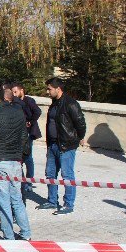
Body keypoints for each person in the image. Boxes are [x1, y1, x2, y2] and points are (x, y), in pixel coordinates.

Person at [0, 84, 31, 240]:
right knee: (17, 200)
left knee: (3, 203)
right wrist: (22, 156)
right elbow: (24, 138)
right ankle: (26, 233)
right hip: (15, 162)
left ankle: (9, 237)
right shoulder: (18, 112)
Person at [37, 77, 87, 215]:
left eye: (49, 89)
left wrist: (79, 137)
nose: (47, 91)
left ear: (58, 89)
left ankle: (68, 204)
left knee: (67, 175)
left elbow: (80, 123)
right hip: (52, 145)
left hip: (66, 146)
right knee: (50, 174)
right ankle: (52, 201)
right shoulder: (54, 103)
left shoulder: (71, 104)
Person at [11, 83, 42, 192]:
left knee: (28, 156)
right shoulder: (14, 102)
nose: (14, 94)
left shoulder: (29, 101)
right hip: (19, 132)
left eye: (15, 91)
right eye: (12, 92)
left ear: (21, 90)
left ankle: (29, 181)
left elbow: (38, 111)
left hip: (28, 132)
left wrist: (30, 121)